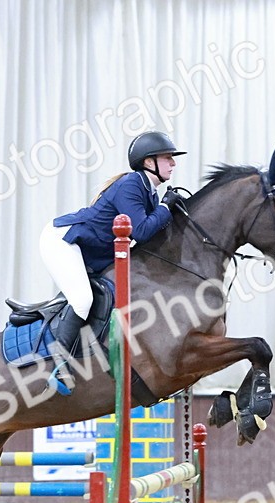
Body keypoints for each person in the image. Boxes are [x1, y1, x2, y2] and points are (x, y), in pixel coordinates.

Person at [40, 130, 186, 392]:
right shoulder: (132, 184)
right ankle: (57, 366)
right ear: (148, 161)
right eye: (167, 158)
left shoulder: (149, 192)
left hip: (94, 250)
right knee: (83, 300)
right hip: (63, 240)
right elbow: (140, 231)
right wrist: (165, 208)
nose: (173, 163)